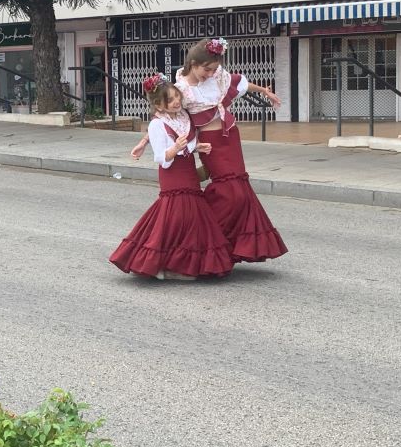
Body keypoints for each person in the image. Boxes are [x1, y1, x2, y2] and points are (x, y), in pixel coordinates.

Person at [174, 38, 288, 263]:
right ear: (193, 63)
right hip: (210, 142)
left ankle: (228, 248)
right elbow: (168, 117)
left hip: (230, 137)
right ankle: (203, 235)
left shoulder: (218, 77)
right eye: (206, 69)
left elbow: (239, 82)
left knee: (241, 192)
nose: (210, 74)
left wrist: (264, 91)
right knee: (229, 193)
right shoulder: (181, 89)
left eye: (214, 69)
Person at [110, 74, 233, 280]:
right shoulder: (157, 125)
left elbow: (186, 144)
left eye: (177, 97)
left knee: (187, 219)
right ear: (159, 104)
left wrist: (196, 147)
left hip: (187, 172)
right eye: (171, 100)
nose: (177, 102)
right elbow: (161, 157)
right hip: (172, 175)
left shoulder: (183, 116)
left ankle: (177, 264)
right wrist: (175, 148)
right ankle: (170, 266)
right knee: (178, 219)